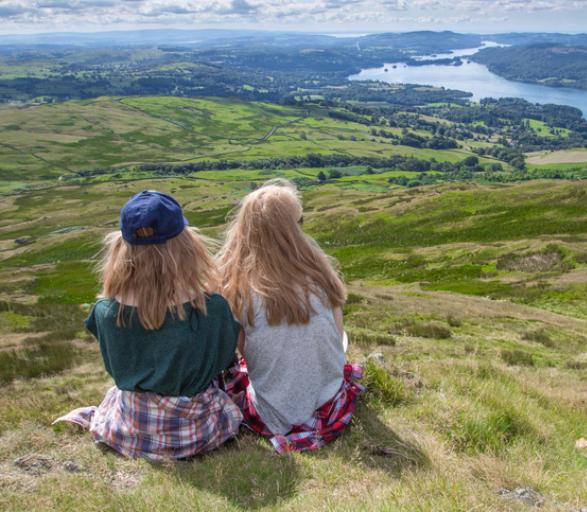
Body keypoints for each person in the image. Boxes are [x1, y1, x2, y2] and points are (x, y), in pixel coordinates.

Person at [54, 191, 242, 461]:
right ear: (185, 244)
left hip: (130, 429)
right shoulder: (212, 308)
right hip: (197, 432)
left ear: (122, 247)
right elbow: (224, 362)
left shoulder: (106, 312)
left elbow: (116, 366)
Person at [218, 179, 363, 454]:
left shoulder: (236, 288)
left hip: (273, 415)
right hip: (330, 405)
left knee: (244, 372)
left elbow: (247, 353)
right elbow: (337, 337)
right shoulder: (321, 275)